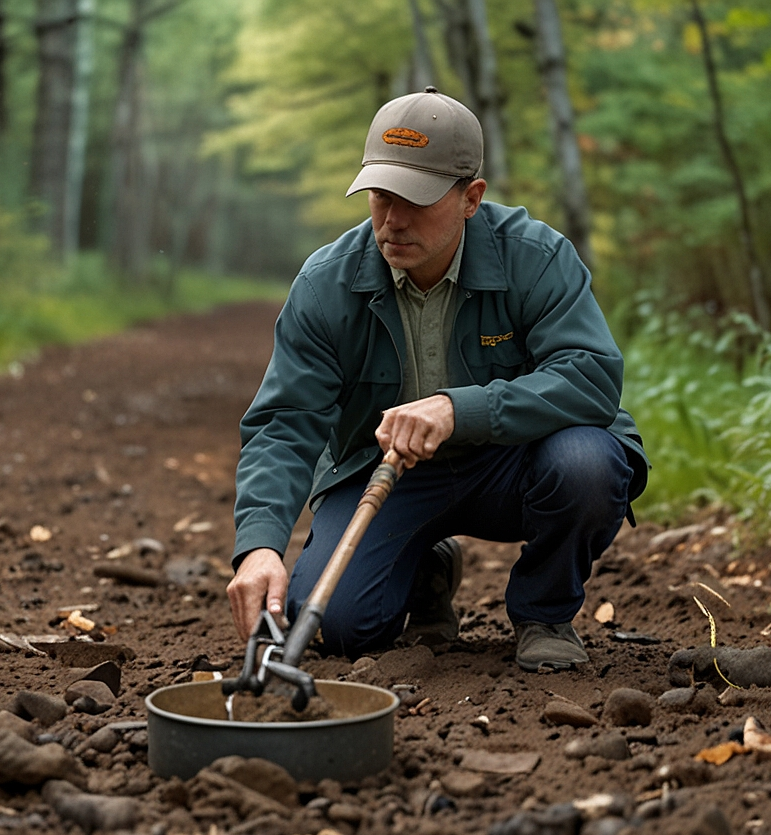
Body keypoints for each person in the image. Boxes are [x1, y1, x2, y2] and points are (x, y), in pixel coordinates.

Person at [227, 87, 648, 671]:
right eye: (380, 195)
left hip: (516, 464)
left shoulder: (537, 257)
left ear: (471, 197)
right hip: (385, 475)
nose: (393, 220)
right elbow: (285, 423)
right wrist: (260, 545)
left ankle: (545, 611)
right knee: (342, 628)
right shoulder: (326, 283)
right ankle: (424, 567)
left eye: (416, 200)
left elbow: (592, 377)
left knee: (588, 463)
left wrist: (459, 409)